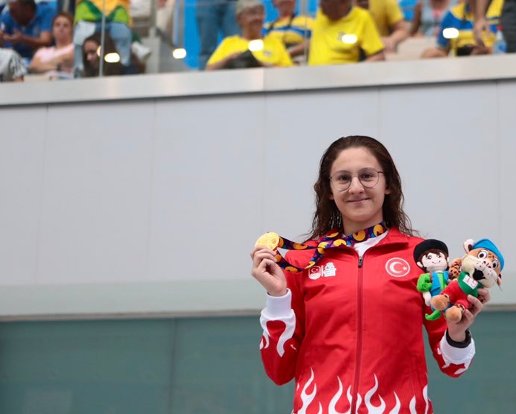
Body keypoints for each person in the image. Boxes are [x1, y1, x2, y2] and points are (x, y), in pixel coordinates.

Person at [250, 135, 490, 413]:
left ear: (388, 184)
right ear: (329, 190)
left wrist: (457, 334)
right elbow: (278, 371)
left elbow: (454, 366)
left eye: (367, 176)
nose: (355, 187)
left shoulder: (423, 258)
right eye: (343, 178)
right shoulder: (301, 261)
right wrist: (277, 298)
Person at [206, 0, 293, 70]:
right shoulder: (228, 43)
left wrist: (260, 64)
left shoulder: (275, 43)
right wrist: (229, 59)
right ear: (239, 18)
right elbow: (209, 70)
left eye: (261, 13)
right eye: (252, 13)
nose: (257, 18)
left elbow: (289, 72)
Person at [308, 0, 385, 65]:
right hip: (312, 75)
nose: (320, 5)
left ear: (343, 3)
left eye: (325, 1)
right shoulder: (321, 14)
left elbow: (378, 56)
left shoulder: (362, 18)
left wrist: (354, 71)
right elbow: (320, 40)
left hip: (343, 76)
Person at [420, 0, 501, 58]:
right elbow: (443, 49)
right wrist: (434, 54)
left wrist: (488, 51)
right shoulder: (453, 14)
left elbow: (506, 47)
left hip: (494, 63)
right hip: (460, 67)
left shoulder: (502, 9)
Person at [195, 0, 239, 69]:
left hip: (232, 2)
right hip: (206, 3)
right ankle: (204, 74)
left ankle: (239, 72)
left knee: (236, 46)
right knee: (207, 50)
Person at [28, 11, 73, 78]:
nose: (61, 28)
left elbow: (67, 60)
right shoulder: (42, 51)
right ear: (52, 30)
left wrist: (42, 65)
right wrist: (58, 68)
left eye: (65, 25)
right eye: (57, 25)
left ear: (71, 30)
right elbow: (33, 67)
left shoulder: (74, 48)